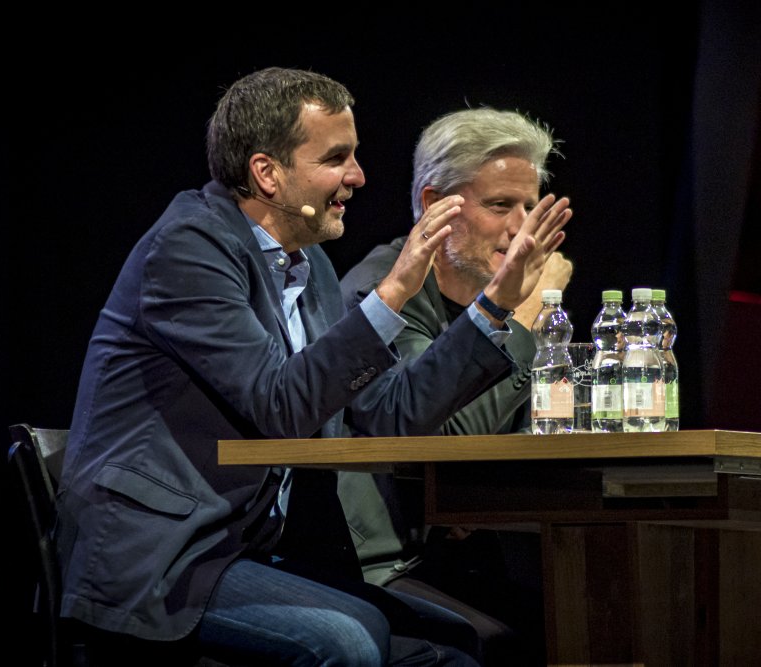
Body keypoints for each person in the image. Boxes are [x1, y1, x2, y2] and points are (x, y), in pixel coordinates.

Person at [54, 67, 570, 667]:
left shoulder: (309, 264)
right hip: (160, 560)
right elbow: (280, 406)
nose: (358, 176)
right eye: (336, 158)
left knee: (454, 642)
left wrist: (495, 306)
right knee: (349, 642)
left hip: (241, 548)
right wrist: (393, 294)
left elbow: (390, 416)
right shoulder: (189, 247)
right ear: (267, 173)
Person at [338, 108, 574, 666]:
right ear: (434, 205)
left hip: (462, 552)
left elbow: (538, 431)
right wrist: (524, 316)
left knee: (589, 620)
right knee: (505, 647)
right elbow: (443, 437)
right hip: (380, 566)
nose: (521, 229)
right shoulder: (382, 295)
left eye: (529, 207)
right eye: (500, 205)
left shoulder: (497, 295)